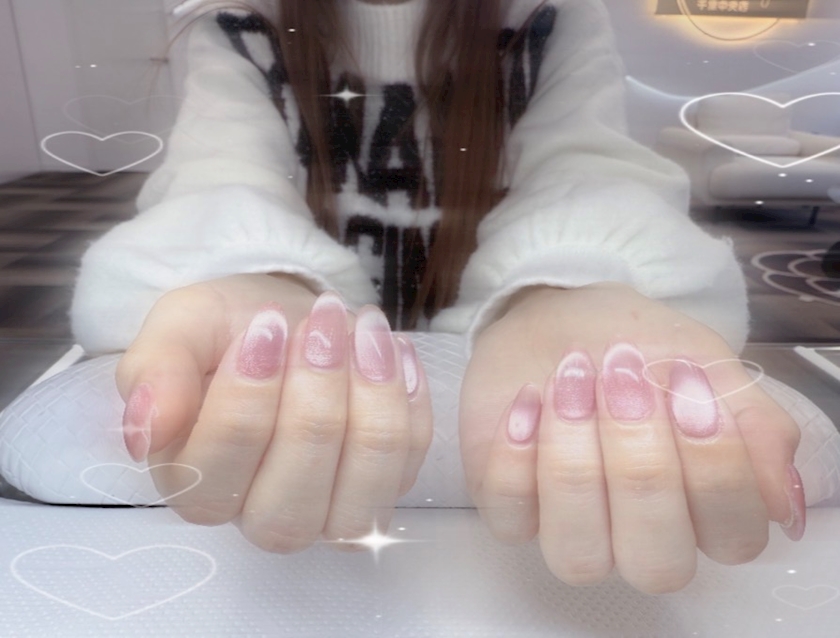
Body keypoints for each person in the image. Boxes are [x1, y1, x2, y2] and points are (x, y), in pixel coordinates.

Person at [70, 0, 803, 594]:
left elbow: (585, 164)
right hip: (336, 346)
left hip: (496, 340)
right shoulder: (237, 21)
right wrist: (254, 275)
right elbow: (218, 173)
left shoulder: (550, 15)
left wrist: (568, 285)